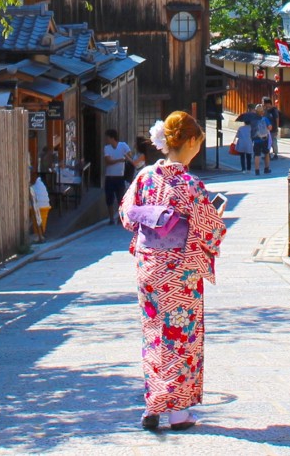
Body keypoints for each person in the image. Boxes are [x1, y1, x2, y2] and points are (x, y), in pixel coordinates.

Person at [119, 112, 227, 432]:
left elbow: (127, 215)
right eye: (198, 144)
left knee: (155, 335)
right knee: (180, 337)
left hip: (149, 264)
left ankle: (152, 405)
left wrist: (153, 216)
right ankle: (178, 412)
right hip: (179, 270)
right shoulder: (190, 184)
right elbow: (210, 231)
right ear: (190, 142)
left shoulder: (144, 177)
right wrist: (216, 218)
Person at [103, 129, 133, 222]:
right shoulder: (107, 148)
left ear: (112, 138)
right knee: (109, 199)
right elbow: (108, 161)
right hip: (109, 177)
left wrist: (125, 157)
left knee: (121, 199)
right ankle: (111, 219)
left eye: (107, 137)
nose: (106, 139)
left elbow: (129, 155)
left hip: (120, 176)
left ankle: (121, 218)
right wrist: (120, 160)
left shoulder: (123, 145)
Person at [29, 169, 50, 243]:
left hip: (37, 206)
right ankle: (40, 233)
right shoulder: (40, 184)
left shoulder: (33, 187)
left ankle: (38, 234)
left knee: (37, 217)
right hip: (45, 205)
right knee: (40, 218)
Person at [250, 108, 272, 174]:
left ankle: (257, 170)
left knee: (257, 155)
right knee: (266, 153)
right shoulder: (265, 119)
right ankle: (266, 168)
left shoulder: (253, 120)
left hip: (256, 139)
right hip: (265, 139)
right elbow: (270, 127)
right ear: (262, 112)